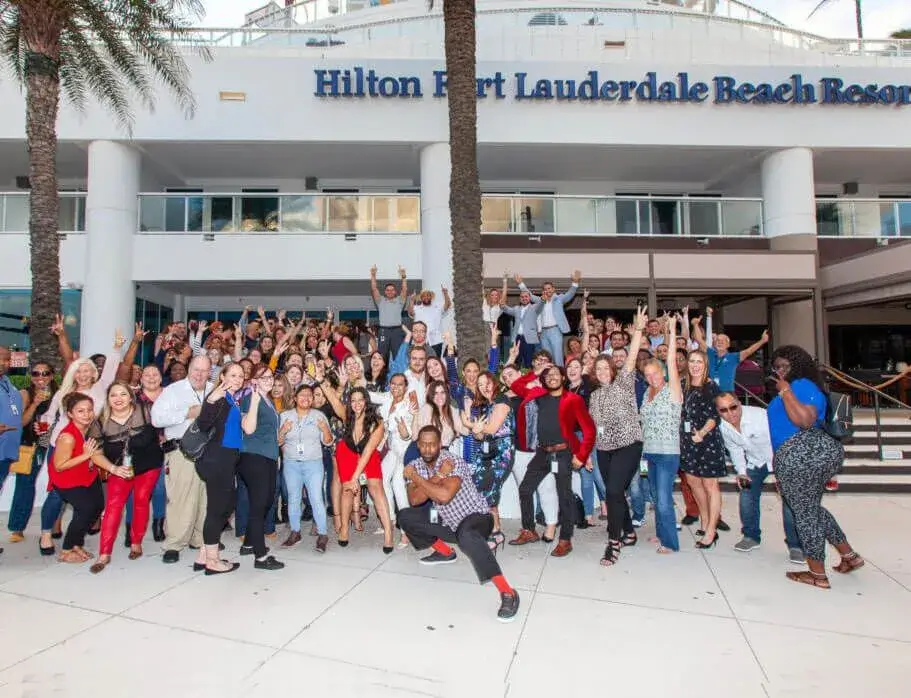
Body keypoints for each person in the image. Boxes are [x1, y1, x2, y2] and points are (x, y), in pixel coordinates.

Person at [399, 426, 520, 623]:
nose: (428, 449)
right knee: (405, 516)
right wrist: (436, 476)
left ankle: (508, 592)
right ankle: (445, 552)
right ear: (418, 445)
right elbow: (414, 499)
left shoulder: (451, 461)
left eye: (432, 444)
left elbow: (444, 496)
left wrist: (416, 478)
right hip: (448, 520)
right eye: (424, 445)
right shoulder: (416, 465)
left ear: (440, 445)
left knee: (467, 535)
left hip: (477, 518)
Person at [768, 345, 863, 589]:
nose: (779, 371)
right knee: (811, 508)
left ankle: (817, 574)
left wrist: (786, 390)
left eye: (784, 366)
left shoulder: (801, 386)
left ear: (798, 366)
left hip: (804, 451)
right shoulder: (799, 386)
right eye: (776, 366)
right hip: (799, 452)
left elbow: (805, 420)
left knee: (805, 515)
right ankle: (849, 556)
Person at [509, 364, 596, 557]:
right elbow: (516, 386)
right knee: (525, 489)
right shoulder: (538, 396)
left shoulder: (573, 399)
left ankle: (565, 540)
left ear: (563, 378)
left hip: (563, 453)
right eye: (548, 375)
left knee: (564, 496)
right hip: (542, 453)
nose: (552, 377)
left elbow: (589, 430)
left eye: (556, 374)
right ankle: (529, 530)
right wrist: (536, 372)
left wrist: (581, 455)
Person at [715, 391, 804, 563]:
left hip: (780, 457)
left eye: (733, 407)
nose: (730, 413)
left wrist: (782, 472)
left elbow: (780, 440)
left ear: (739, 404)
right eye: (723, 410)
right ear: (718, 412)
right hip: (755, 461)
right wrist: (741, 471)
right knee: (747, 496)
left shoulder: (761, 417)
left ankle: (795, 545)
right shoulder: (723, 426)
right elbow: (735, 448)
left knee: (789, 502)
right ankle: (751, 536)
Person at [589, 306, 647, 566]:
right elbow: (594, 426)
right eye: (598, 369)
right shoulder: (594, 395)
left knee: (613, 490)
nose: (602, 372)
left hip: (628, 444)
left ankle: (614, 542)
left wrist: (638, 331)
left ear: (612, 369)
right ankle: (630, 532)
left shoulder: (624, 382)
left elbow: (632, 357)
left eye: (605, 367)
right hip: (604, 448)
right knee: (614, 493)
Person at [89, 380, 163, 573]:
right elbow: (95, 453)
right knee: (113, 506)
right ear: (108, 399)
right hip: (119, 469)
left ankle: (136, 542)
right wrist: (113, 469)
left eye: (123, 394)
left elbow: (164, 429)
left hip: (149, 466)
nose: (118, 399)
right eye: (113, 395)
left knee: (140, 501)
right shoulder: (100, 421)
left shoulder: (146, 410)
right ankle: (104, 554)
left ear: (131, 396)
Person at [50, 394, 131, 563]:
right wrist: (86, 455)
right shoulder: (68, 437)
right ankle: (66, 550)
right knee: (85, 510)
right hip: (68, 480)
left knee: (97, 507)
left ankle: (76, 544)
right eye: (80, 411)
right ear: (70, 414)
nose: (86, 414)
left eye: (89, 410)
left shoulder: (90, 428)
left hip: (88, 476)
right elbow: (59, 465)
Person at [151, 355, 213, 564]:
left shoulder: (214, 389)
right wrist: (188, 413)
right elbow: (156, 418)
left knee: (206, 498)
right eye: (196, 369)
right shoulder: (173, 391)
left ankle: (199, 539)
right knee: (181, 498)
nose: (199, 374)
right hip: (181, 451)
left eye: (204, 371)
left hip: (210, 452)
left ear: (210, 372)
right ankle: (174, 544)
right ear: (189, 368)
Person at [194, 363, 245, 575]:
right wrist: (211, 399)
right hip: (217, 459)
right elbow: (204, 423)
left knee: (225, 505)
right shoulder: (219, 397)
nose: (238, 378)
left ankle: (204, 556)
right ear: (222, 376)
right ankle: (213, 562)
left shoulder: (232, 399)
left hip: (227, 459)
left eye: (241, 375)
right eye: (233, 374)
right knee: (218, 509)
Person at [333, 386, 394, 551]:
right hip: (347, 452)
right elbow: (332, 399)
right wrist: (322, 380)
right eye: (353, 400)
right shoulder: (348, 417)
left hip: (368, 455)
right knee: (347, 490)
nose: (357, 403)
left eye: (360, 399)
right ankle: (345, 528)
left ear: (366, 401)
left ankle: (388, 532)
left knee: (376, 488)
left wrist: (355, 478)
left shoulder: (377, 422)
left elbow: (367, 452)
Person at [237, 365, 285, 571]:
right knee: (259, 505)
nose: (268, 380)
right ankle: (261, 556)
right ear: (253, 380)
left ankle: (248, 543)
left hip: (268, 457)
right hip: (253, 456)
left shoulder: (268, 401)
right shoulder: (251, 398)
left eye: (270, 376)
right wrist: (255, 400)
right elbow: (248, 428)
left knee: (264, 502)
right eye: (262, 377)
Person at [462, 371, 515, 549]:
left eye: (487, 382)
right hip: (485, 452)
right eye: (480, 384)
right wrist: (475, 427)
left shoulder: (502, 400)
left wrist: (471, 424)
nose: (484, 387)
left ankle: (492, 532)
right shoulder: (487, 405)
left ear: (494, 382)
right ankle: (496, 530)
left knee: (488, 488)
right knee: (482, 488)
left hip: (501, 452)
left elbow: (491, 429)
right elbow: (478, 436)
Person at [680, 350, 727, 549]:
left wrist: (702, 433)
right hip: (688, 442)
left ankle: (711, 531)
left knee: (710, 486)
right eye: (692, 361)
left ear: (705, 364)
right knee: (693, 482)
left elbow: (715, 416)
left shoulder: (711, 386)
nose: (695, 365)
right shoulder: (685, 386)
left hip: (707, 442)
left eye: (699, 361)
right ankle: (705, 520)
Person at [279, 385, 333, 552]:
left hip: (313, 464)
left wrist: (324, 429)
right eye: (302, 395)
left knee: (316, 498)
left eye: (309, 396)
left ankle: (323, 534)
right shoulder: (284, 416)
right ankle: (295, 532)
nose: (306, 398)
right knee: (293, 498)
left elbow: (329, 442)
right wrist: (283, 430)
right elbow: (278, 442)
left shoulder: (319, 416)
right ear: (294, 398)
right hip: (291, 464)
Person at [8, 359, 56, 543]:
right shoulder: (24, 394)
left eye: (45, 373)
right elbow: (20, 422)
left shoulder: (58, 394)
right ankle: (17, 527)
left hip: (53, 442)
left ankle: (53, 526)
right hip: (31, 444)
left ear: (51, 376)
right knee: (25, 483)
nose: (40, 377)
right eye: (36, 373)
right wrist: (35, 404)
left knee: (59, 483)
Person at [692, 307, 769, 391]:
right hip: (710, 394)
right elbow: (699, 339)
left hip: (727, 396)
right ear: (714, 343)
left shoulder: (734, 357)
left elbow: (749, 351)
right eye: (717, 340)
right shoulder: (710, 353)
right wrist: (695, 325)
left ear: (728, 344)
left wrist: (762, 341)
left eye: (723, 341)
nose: (719, 342)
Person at [516, 270, 582, 367]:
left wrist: (575, 282)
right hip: (543, 332)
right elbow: (529, 295)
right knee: (547, 357)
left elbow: (570, 294)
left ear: (553, 289)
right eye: (545, 289)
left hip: (555, 330)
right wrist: (520, 283)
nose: (548, 290)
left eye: (549, 288)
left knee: (557, 356)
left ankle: (561, 376)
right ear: (543, 291)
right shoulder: (540, 300)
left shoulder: (559, 299)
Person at [0, 346, 25, 551]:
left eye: (7, 359)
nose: (4, 363)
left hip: (6, 452)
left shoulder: (8, 384)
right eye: (1, 359)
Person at [369, 264, 408, 362]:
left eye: (392, 290)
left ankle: (398, 376)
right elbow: (374, 289)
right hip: (383, 331)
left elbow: (404, 290)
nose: (390, 291)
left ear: (395, 292)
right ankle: (381, 376)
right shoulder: (380, 301)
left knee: (398, 356)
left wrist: (403, 277)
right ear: (385, 292)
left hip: (397, 331)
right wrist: (373, 275)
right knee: (381, 356)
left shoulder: (400, 301)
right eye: (388, 290)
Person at [500, 282, 541, 369]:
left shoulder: (534, 308)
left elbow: (541, 303)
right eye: (522, 297)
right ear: (520, 299)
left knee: (529, 362)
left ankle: (529, 379)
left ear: (530, 298)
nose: (524, 298)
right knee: (516, 361)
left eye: (526, 296)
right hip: (517, 338)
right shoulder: (516, 309)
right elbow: (505, 309)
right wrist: (502, 304)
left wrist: (544, 299)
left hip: (528, 339)